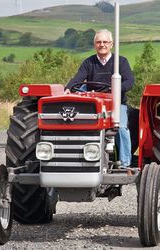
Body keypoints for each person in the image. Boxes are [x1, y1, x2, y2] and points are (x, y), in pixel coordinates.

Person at [65, 29, 134, 170]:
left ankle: (125, 163)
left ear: (111, 44)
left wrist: (116, 89)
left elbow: (129, 81)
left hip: (115, 103)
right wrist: (68, 88)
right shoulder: (89, 62)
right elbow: (78, 77)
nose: (102, 45)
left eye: (105, 42)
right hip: (94, 104)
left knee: (120, 128)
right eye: (98, 42)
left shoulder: (120, 62)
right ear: (95, 44)